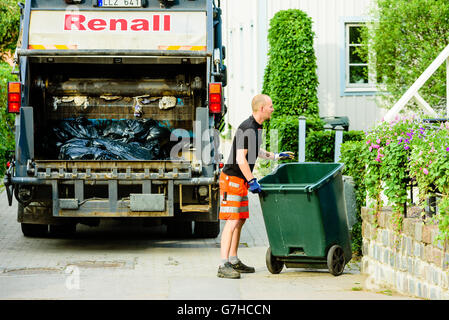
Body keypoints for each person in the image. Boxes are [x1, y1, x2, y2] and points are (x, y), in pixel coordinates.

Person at [217, 94, 294, 279]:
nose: (272, 109)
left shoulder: (257, 127)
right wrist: (252, 180)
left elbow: (254, 151)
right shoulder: (247, 127)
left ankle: (234, 260)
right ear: (261, 108)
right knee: (232, 220)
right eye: (270, 106)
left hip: (241, 180)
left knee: (241, 219)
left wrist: (275, 156)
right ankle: (223, 264)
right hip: (232, 179)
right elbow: (240, 158)